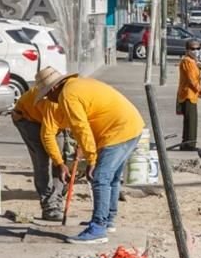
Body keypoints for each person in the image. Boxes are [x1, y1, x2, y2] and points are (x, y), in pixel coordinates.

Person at [34, 66, 145, 244]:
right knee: (112, 178)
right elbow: (86, 122)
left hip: (118, 131)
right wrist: (87, 152)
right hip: (131, 125)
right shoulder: (77, 85)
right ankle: (108, 220)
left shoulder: (67, 96)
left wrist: (92, 159)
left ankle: (98, 227)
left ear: (54, 88)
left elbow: (81, 128)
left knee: (100, 178)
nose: (49, 100)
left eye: (48, 95)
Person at [11, 88, 68, 221]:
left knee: (61, 158)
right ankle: (49, 206)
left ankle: (56, 199)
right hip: (27, 119)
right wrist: (59, 163)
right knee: (43, 160)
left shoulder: (75, 100)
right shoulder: (53, 101)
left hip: (50, 121)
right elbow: (47, 136)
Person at [177, 40, 201, 150]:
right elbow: (191, 80)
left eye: (198, 48)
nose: (196, 51)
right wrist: (200, 90)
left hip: (191, 95)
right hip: (188, 94)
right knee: (191, 121)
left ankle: (186, 143)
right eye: (193, 49)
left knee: (190, 120)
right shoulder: (187, 61)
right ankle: (189, 144)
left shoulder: (193, 61)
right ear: (187, 50)